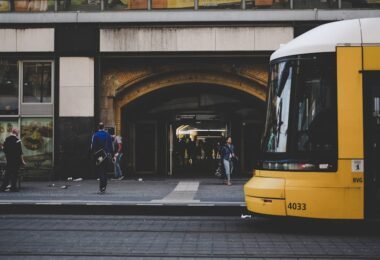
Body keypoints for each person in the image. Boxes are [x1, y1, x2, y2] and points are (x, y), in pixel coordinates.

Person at [91, 122, 113, 193]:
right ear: (103, 127)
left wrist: (93, 154)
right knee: (105, 171)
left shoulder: (95, 135)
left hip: (99, 155)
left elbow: (93, 146)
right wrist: (111, 153)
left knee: (101, 170)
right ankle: (104, 186)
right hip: (106, 155)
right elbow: (111, 146)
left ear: (98, 127)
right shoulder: (107, 135)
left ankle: (101, 186)